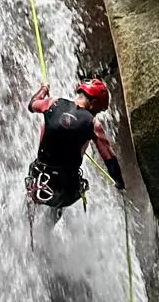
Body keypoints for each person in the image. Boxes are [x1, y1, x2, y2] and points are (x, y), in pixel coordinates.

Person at [25, 78, 125, 213]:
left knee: (34, 190)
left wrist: (43, 89)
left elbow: (32, 105)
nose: (96, 113)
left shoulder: (52, 103)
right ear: (94, 102)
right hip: (65, 190)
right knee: (62, 200)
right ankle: (48, 226)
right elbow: (109, 158)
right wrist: (119, 183)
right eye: (98, 110)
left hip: (39, 179)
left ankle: (28, 213)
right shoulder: (93, 124)